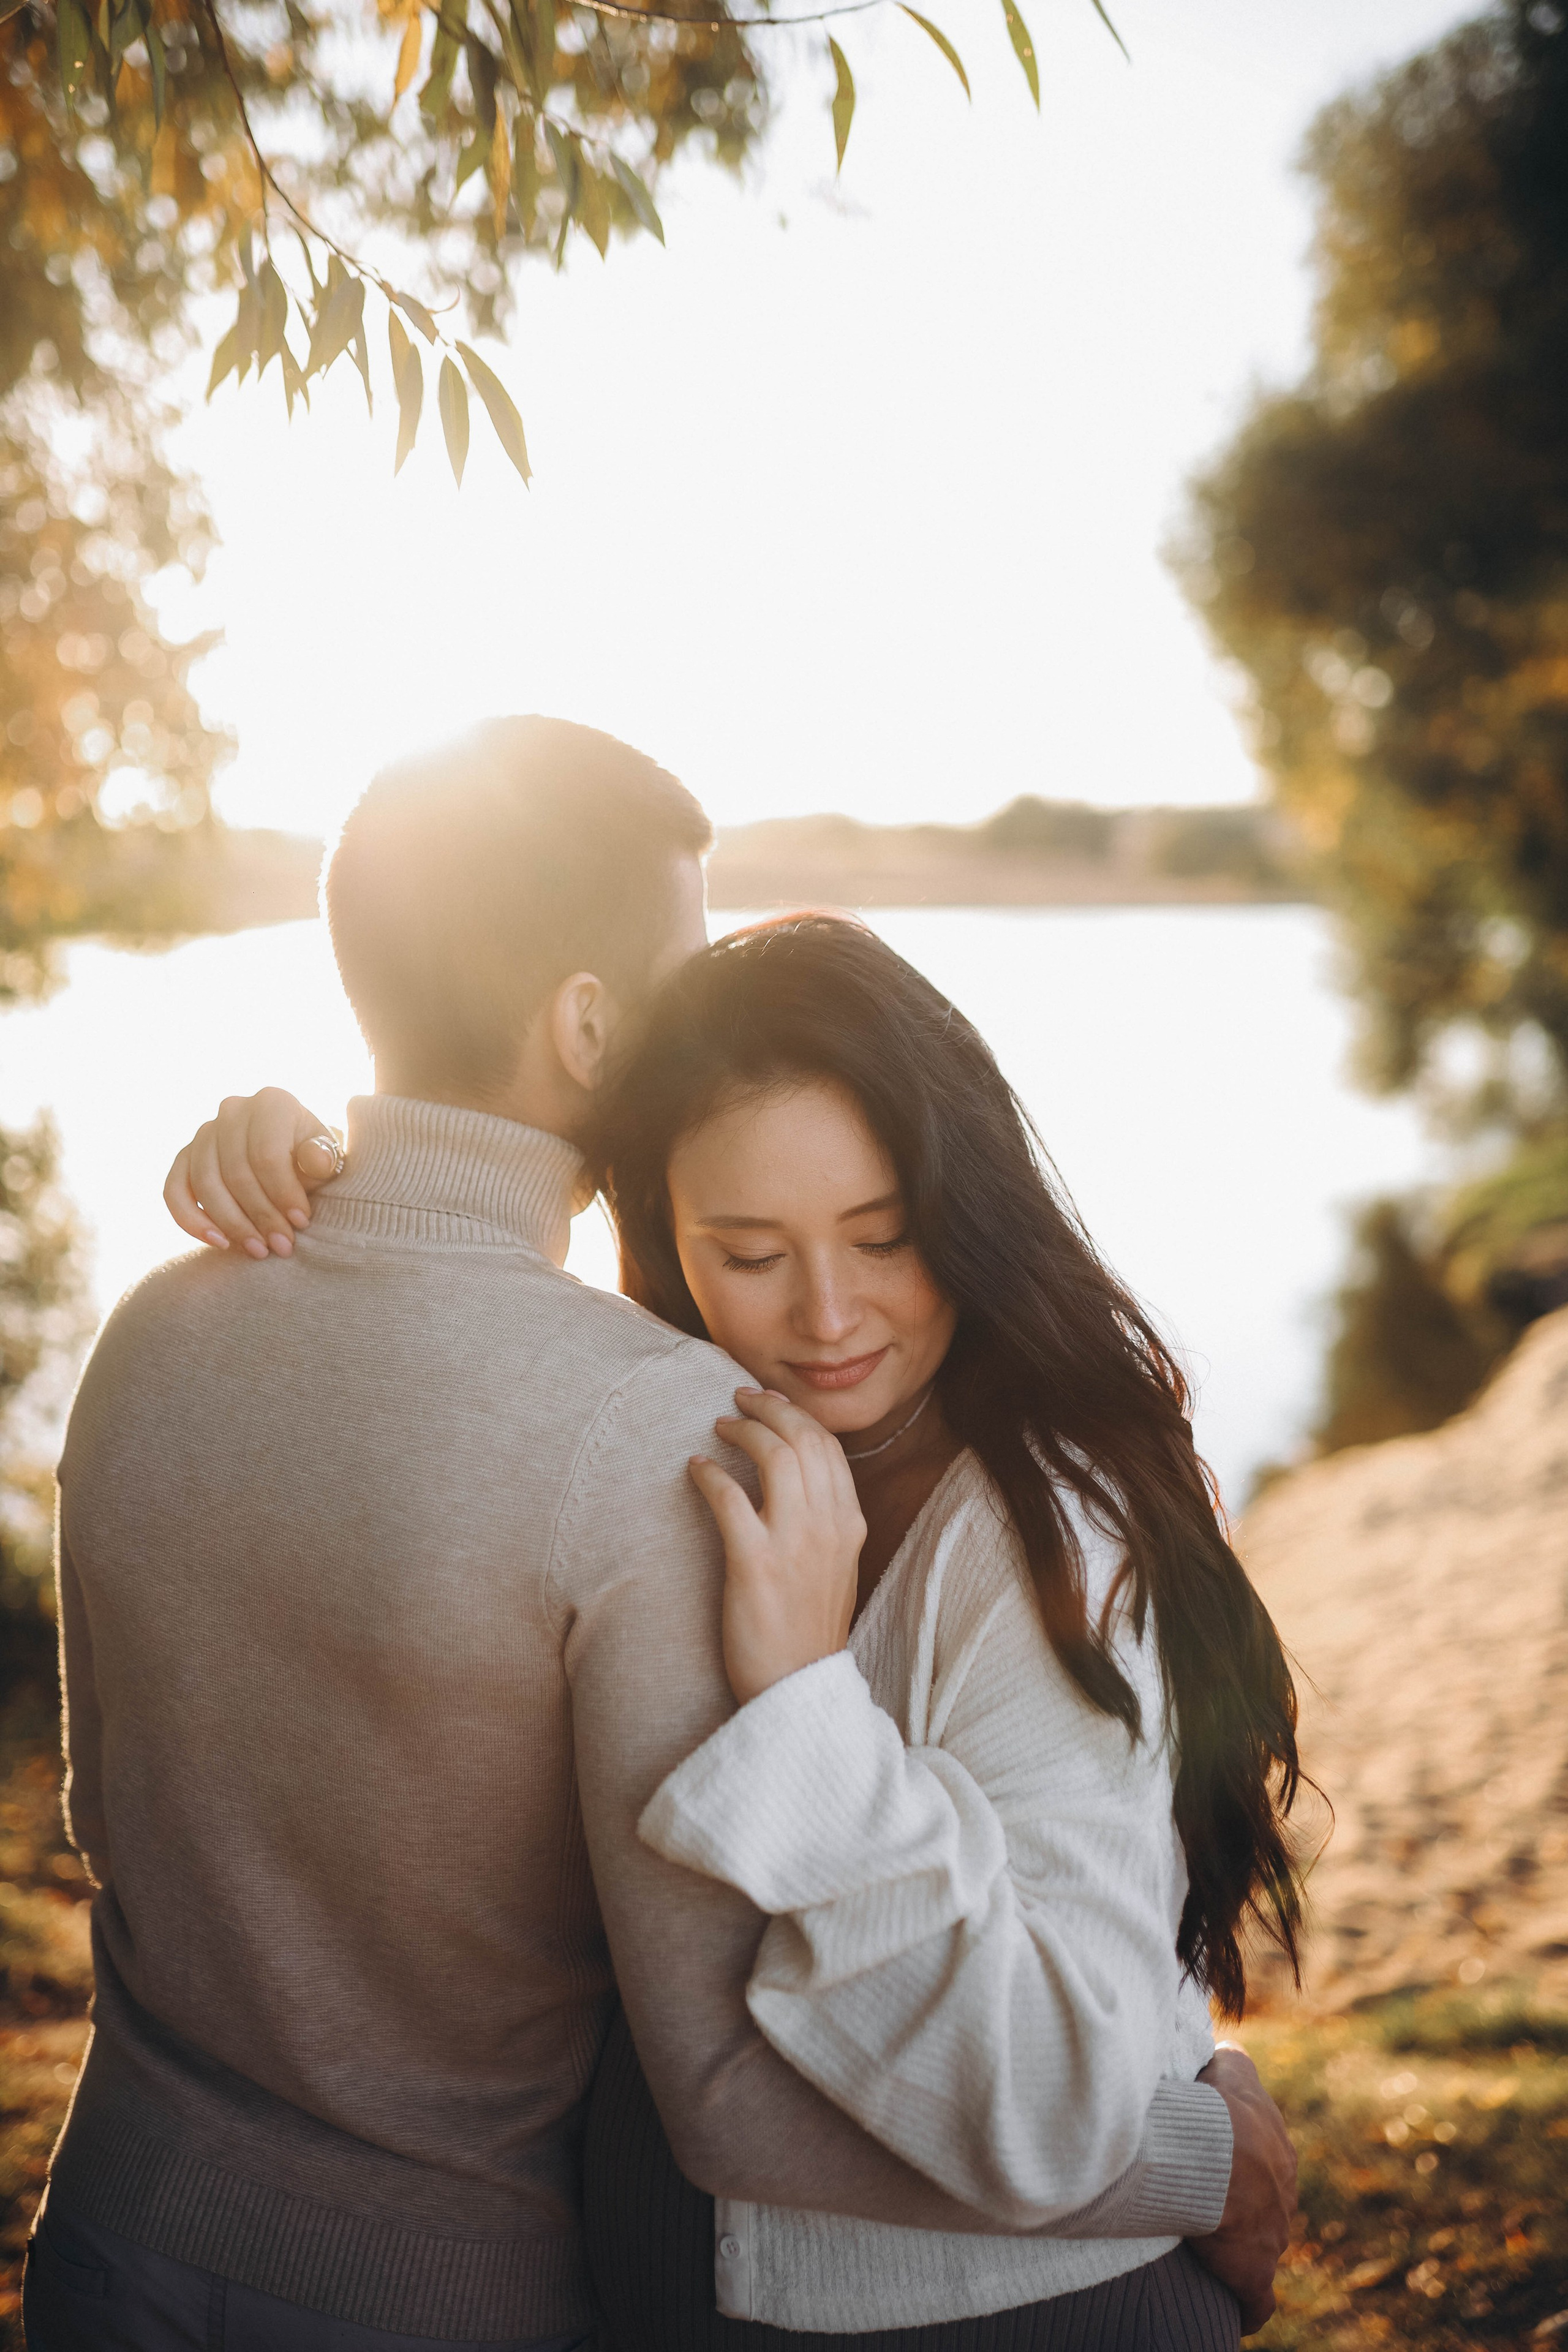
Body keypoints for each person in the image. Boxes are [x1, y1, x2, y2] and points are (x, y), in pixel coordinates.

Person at [32, 718, 1294, 2352]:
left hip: (111, 2236)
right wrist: (1202, 2147)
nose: (702, 1012)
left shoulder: (154, 1322)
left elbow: (101, 1807)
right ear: (584, 1019)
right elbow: (732, 2105)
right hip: (440, 2293)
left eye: (882, 1235)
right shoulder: (656, 1433)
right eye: (678, 967)